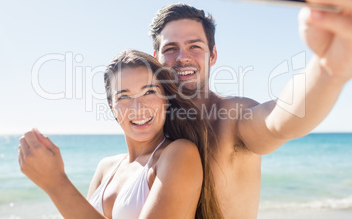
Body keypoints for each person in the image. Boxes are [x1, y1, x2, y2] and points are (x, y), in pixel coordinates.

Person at [148, 0, 352, 218]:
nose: (182, 57)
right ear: (155, 59)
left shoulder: (231, 118)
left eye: (194, 46)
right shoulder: (147, 129)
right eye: (171, 48)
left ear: (213, 55)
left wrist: (330, 68)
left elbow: (279, 120)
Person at [18, 50, 224, 219]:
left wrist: (55, 183)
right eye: (124, 96)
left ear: (166, 98)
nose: (137, 107)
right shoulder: (106, 168)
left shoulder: (179, 154)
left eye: (149, 92)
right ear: (112, 105)